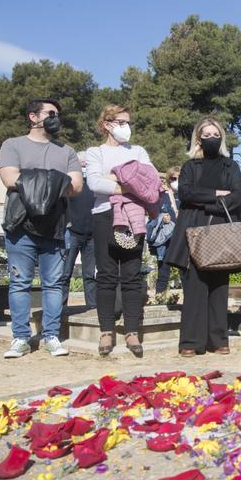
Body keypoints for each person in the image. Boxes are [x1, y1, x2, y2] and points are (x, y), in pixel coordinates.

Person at [0, 99, 83, 358]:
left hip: (55, 226)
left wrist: (32, 178)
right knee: (20, 282)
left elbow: (76, 187)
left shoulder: (66, 151)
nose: (55, 118)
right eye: (50, 113)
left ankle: (51, 336)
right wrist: (55, 180)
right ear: (33, 117)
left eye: (57, 114)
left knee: (54, 284)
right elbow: (10, 178)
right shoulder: (12, 145)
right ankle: (21, 337)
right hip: (20, 225)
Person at [164, 116, 241, 357]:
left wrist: (208, 202)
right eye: (206, 134)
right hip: (193, 229)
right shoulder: (190, 167)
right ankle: (191, 341)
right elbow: (186, 193)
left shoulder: (231, 166)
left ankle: (218, 339)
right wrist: (217, 194)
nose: (211, 138)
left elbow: (238, 194)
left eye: (215, 134)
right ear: (198, 139)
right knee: (195, 286)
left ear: (221, 137)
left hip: (221, 228)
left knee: (219, 286)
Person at [86, 104, 158, 357]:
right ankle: (106, 330)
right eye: (121, 122)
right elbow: (94, 183)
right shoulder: (95, 152)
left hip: (134, 216)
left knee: (131, 274)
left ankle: (131, 330)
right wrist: (130, 184)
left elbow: (151, 180)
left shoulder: (138, 151)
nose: (126, 127)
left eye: (128, 122)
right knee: (105, 274)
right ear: (107, 124)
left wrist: (115, 180)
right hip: (104, 215)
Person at [60, 151, 97, 309]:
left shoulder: (95, 183)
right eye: (82, 164)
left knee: (90, 275)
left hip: (92, 235)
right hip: (72, 233)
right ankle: (60, 308)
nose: (85, 167)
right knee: (65, 273)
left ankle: (92, 307)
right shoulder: (70, 183)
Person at [147, 166, 181, 296]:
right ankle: (160, 297)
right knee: (163, 270)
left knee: (185, 270)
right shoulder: (162, 195)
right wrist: (162, 217)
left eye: (179, 178)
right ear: (168, 179)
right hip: (166, 238)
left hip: (182, 236)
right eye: (173, 178)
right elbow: (153, 212)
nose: (176, 180)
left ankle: (190, 299)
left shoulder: (187, 195)